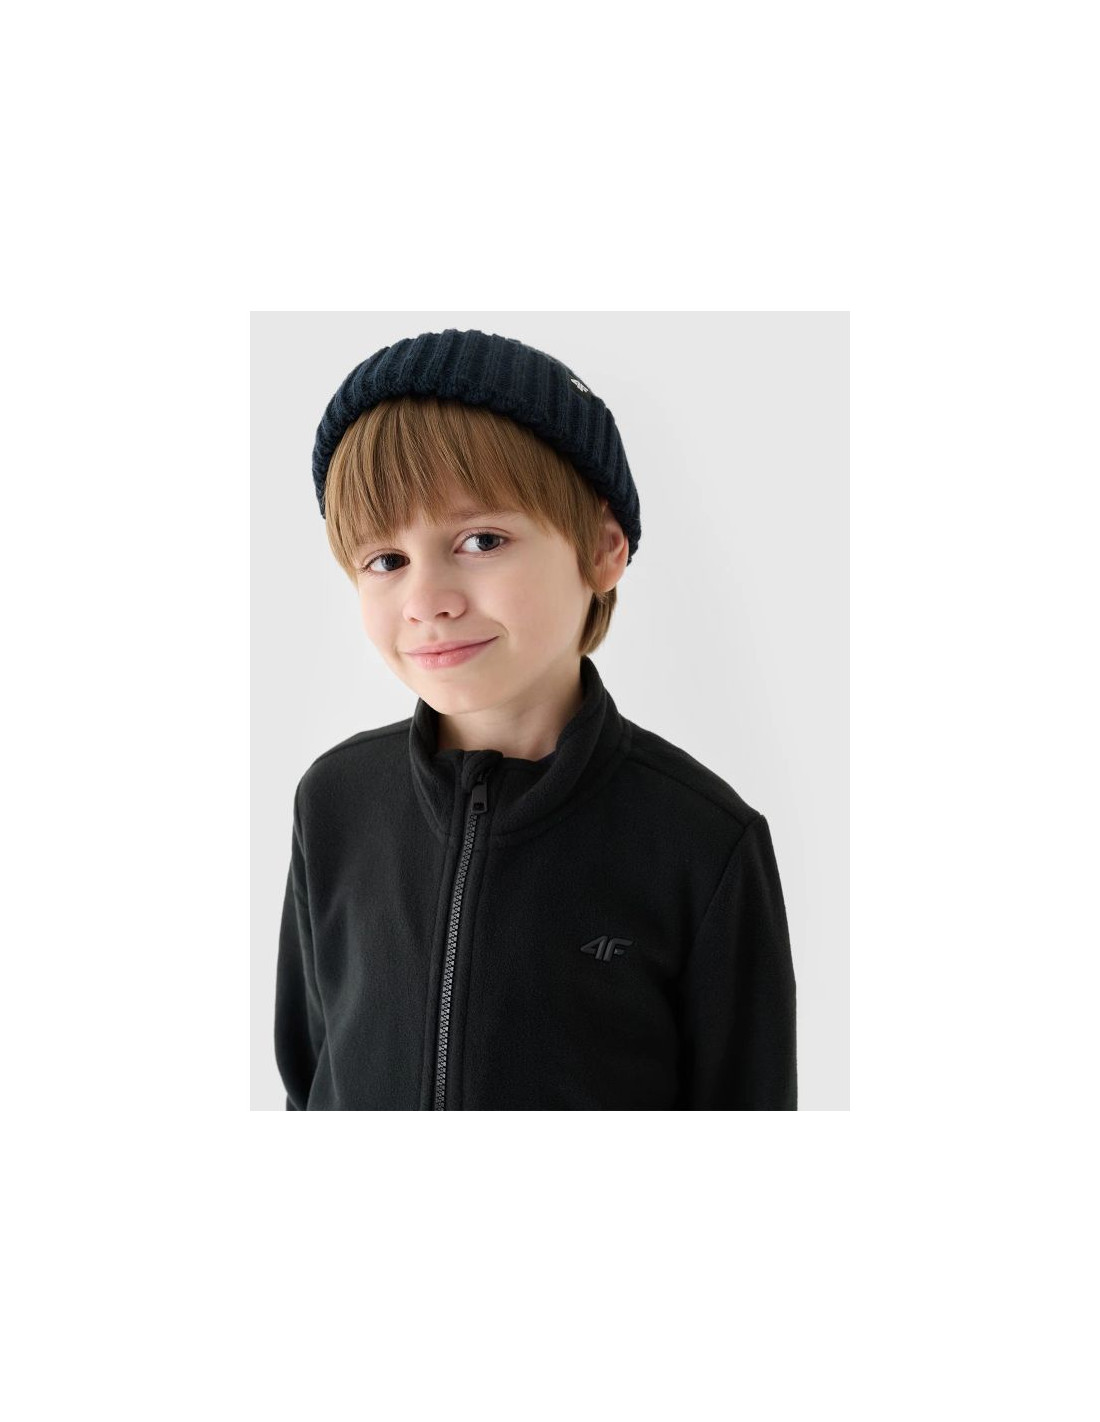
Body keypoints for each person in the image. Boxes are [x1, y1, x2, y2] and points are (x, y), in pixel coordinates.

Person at [274, 327, 797, 1110]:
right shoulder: (335, 803)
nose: (426, 601)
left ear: (603, 549)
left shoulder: (703, 844)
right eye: (386, 561)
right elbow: (308, 1083)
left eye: (481, 540)